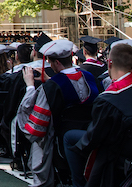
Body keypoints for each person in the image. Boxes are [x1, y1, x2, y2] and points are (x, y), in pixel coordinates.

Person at [63, 43, 132, 187]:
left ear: (110, 62)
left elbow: (94, 139)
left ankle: (78, 184)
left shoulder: (107, 100)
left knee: (70, 138)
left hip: (117, 154)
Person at [18, 39, 100, 187]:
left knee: (39, 144)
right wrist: (50, 80)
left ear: (55, 62)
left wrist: (30, 86)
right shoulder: (89, 77)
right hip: (89, 136)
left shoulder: (51, 88)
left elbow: (36, 128)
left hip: (60, 142)